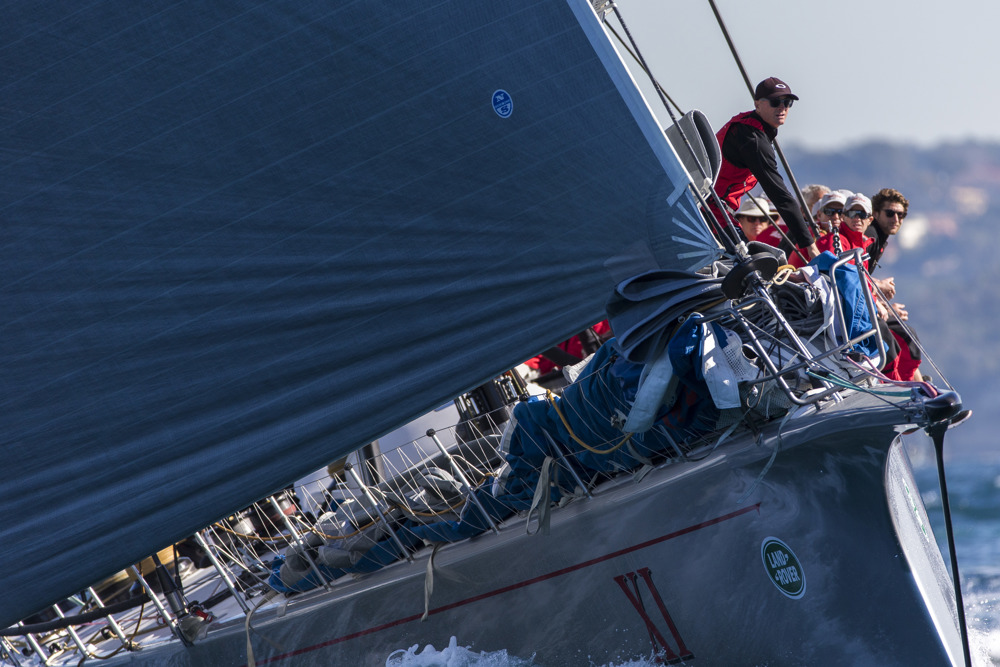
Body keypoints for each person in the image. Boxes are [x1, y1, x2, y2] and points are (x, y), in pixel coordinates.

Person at [712, 77, 820, 260]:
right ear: (757, 104)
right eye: (775, 102)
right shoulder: (753, 140)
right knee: (750, 265)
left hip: (713, 210)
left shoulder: (746, 124)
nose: (782, 108)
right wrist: (809, 245)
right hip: (713, 213)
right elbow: (780, 195)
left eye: (787, 103)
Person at [865, 188, 923, 382]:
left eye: (901, 215)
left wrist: (883, 303)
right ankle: (899, 386)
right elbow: (852, 274)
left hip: (868, 303)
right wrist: (879, 294)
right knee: (897, 340)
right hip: (854, 310)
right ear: (875, 214)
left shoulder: (879, 238)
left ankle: (916, 387)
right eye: (890, 213)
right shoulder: (871, 236)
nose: (896, 219)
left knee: (908, 335)